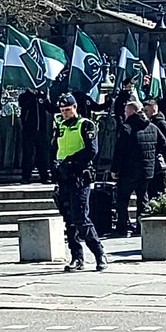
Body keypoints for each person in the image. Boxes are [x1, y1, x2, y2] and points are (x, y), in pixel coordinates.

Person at [52, 93, 106, 272]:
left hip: (79, 177)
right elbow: (56, 148)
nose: (65, 113)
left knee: (81, 218)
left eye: (68, 110)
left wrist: (70, 162)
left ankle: (99, 254)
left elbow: (91, 150)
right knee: (68, 220)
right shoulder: (60, 126)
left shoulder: (86, 125)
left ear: (75, 108)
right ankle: (77, 257)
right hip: (64, 178)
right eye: (62, 111)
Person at [110, 101, 166, 236]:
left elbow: (120, 151)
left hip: (129, 171)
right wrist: (152, 155)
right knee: (143, 198)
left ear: (132, 112)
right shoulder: (152, 126)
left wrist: (114, 169)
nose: (124, 114)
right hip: (147, 171)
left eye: (125, 111)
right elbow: (163, 142)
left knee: (122, 199)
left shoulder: (127, 128)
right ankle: (141, 228)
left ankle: (122, 228)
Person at [18, 87, 54, 183]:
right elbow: (22, 105)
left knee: (43, 154)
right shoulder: (24, 96)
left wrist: (61, 107)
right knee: (28, 154)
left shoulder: (42, 96)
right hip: (29, 131)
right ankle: (26, 177)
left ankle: (44, 176)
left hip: (42, 131)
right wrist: (31, 96)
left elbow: (50, 108)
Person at [141, 98, 166, 198]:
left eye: (146, 110)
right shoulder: (150, 122)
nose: (144, 113)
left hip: (159, 165)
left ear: (154, 109)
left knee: (158, 191)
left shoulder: (161, 124)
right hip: (152, 164)